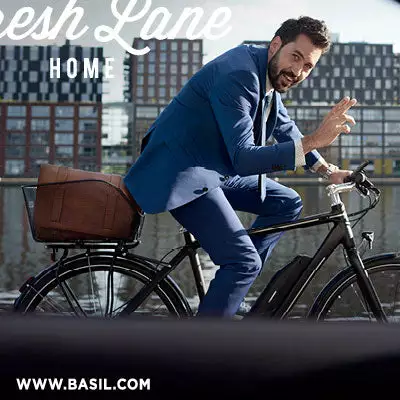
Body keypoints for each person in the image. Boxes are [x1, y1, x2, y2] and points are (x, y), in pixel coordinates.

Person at [123, 16, 357, 318]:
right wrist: (315, 140)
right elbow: (244, 159)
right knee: (243, 262)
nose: (298, 71)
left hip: (212, 169)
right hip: (181, 172)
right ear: (276, 45)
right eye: (295, 57)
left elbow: (284, 127)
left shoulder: (265, 74)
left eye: (308, 66)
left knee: (287, 202)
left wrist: (326, 171)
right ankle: (204, 341)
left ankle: (231, 291)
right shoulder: (240, 75)